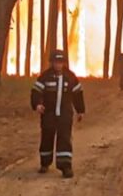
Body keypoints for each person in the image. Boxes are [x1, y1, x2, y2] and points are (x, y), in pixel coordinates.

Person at [30, 49, 85, 178]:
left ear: (64, 63)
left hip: (65, 114)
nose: (58, 65)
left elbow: (78, 94)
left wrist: (80, 110)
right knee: (47, 138)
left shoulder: (71, 77)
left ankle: (65, 167)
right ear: (51, 62)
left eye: (60, 62)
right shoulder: (45, 76)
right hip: (48, 114)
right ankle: (45, 163)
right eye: (55, 62)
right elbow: (36, 92)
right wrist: (37, 104)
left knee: (64, 139)